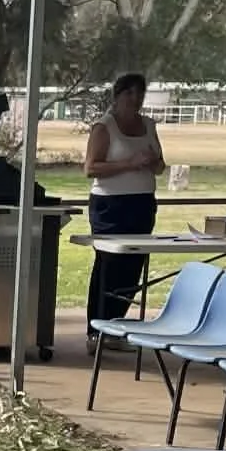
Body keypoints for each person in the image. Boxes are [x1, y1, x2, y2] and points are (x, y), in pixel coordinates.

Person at [84, 72, 165, 324]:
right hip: (110, 206)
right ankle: (97, 327)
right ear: (117, 96)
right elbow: (90, 168)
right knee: (110, 265)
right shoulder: (104, 127)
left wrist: (152, 163)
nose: (135, 98)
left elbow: (161, 166)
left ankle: (117, 324)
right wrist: (129, 164)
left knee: (133, 266)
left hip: (141, 204)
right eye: (129, 93)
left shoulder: (149, 125)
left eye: (139, 93)